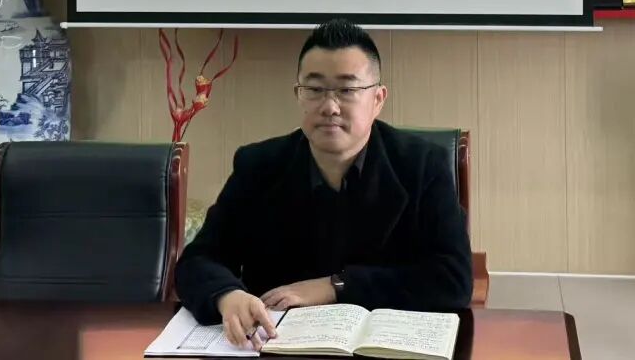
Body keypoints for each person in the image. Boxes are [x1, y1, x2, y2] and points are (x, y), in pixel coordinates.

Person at [175, 18, 473, 347]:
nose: (330, 107)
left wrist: (336, 286)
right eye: (315, 90)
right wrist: (226, 295)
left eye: (347, 90)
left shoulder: (423, 166)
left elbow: (453, 279)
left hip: (382, 348)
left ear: (378, 99)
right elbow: (198, 261)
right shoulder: (258, 166)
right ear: (298, 95)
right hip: (276, 344)